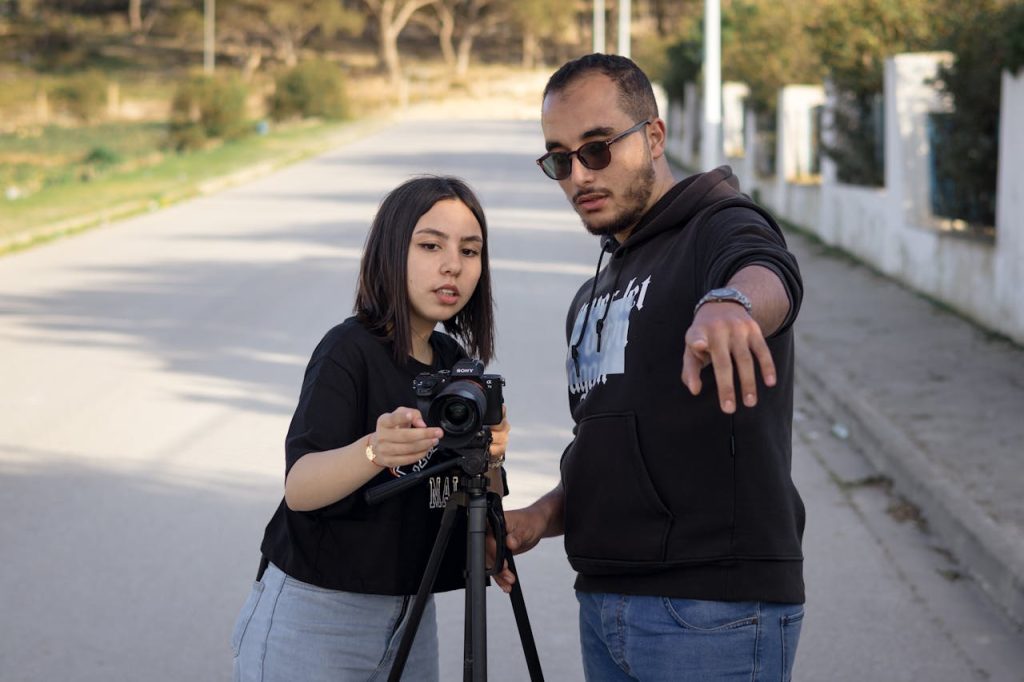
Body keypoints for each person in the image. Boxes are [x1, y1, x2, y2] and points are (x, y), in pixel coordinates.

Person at [494, 54, 806, 681]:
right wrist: (538, 518)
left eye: (598, 148)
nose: (579, 175)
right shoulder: (595, 291)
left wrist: (731, 303)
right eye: (560, 159)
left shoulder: (716, 225)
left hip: (712, 611)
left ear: (654, 137)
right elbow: (609, 451)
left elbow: (768, 270)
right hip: (604, 602)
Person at [231, 175, 509, 682]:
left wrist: (490, 455)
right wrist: (374, 451)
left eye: (471, 251)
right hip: (318, 616)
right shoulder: (349, 350)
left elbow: (472, 487)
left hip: (412, 613)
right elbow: (300, 488)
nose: (453, 265)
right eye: (430, 245)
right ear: (390, 251)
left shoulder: (457, 366)